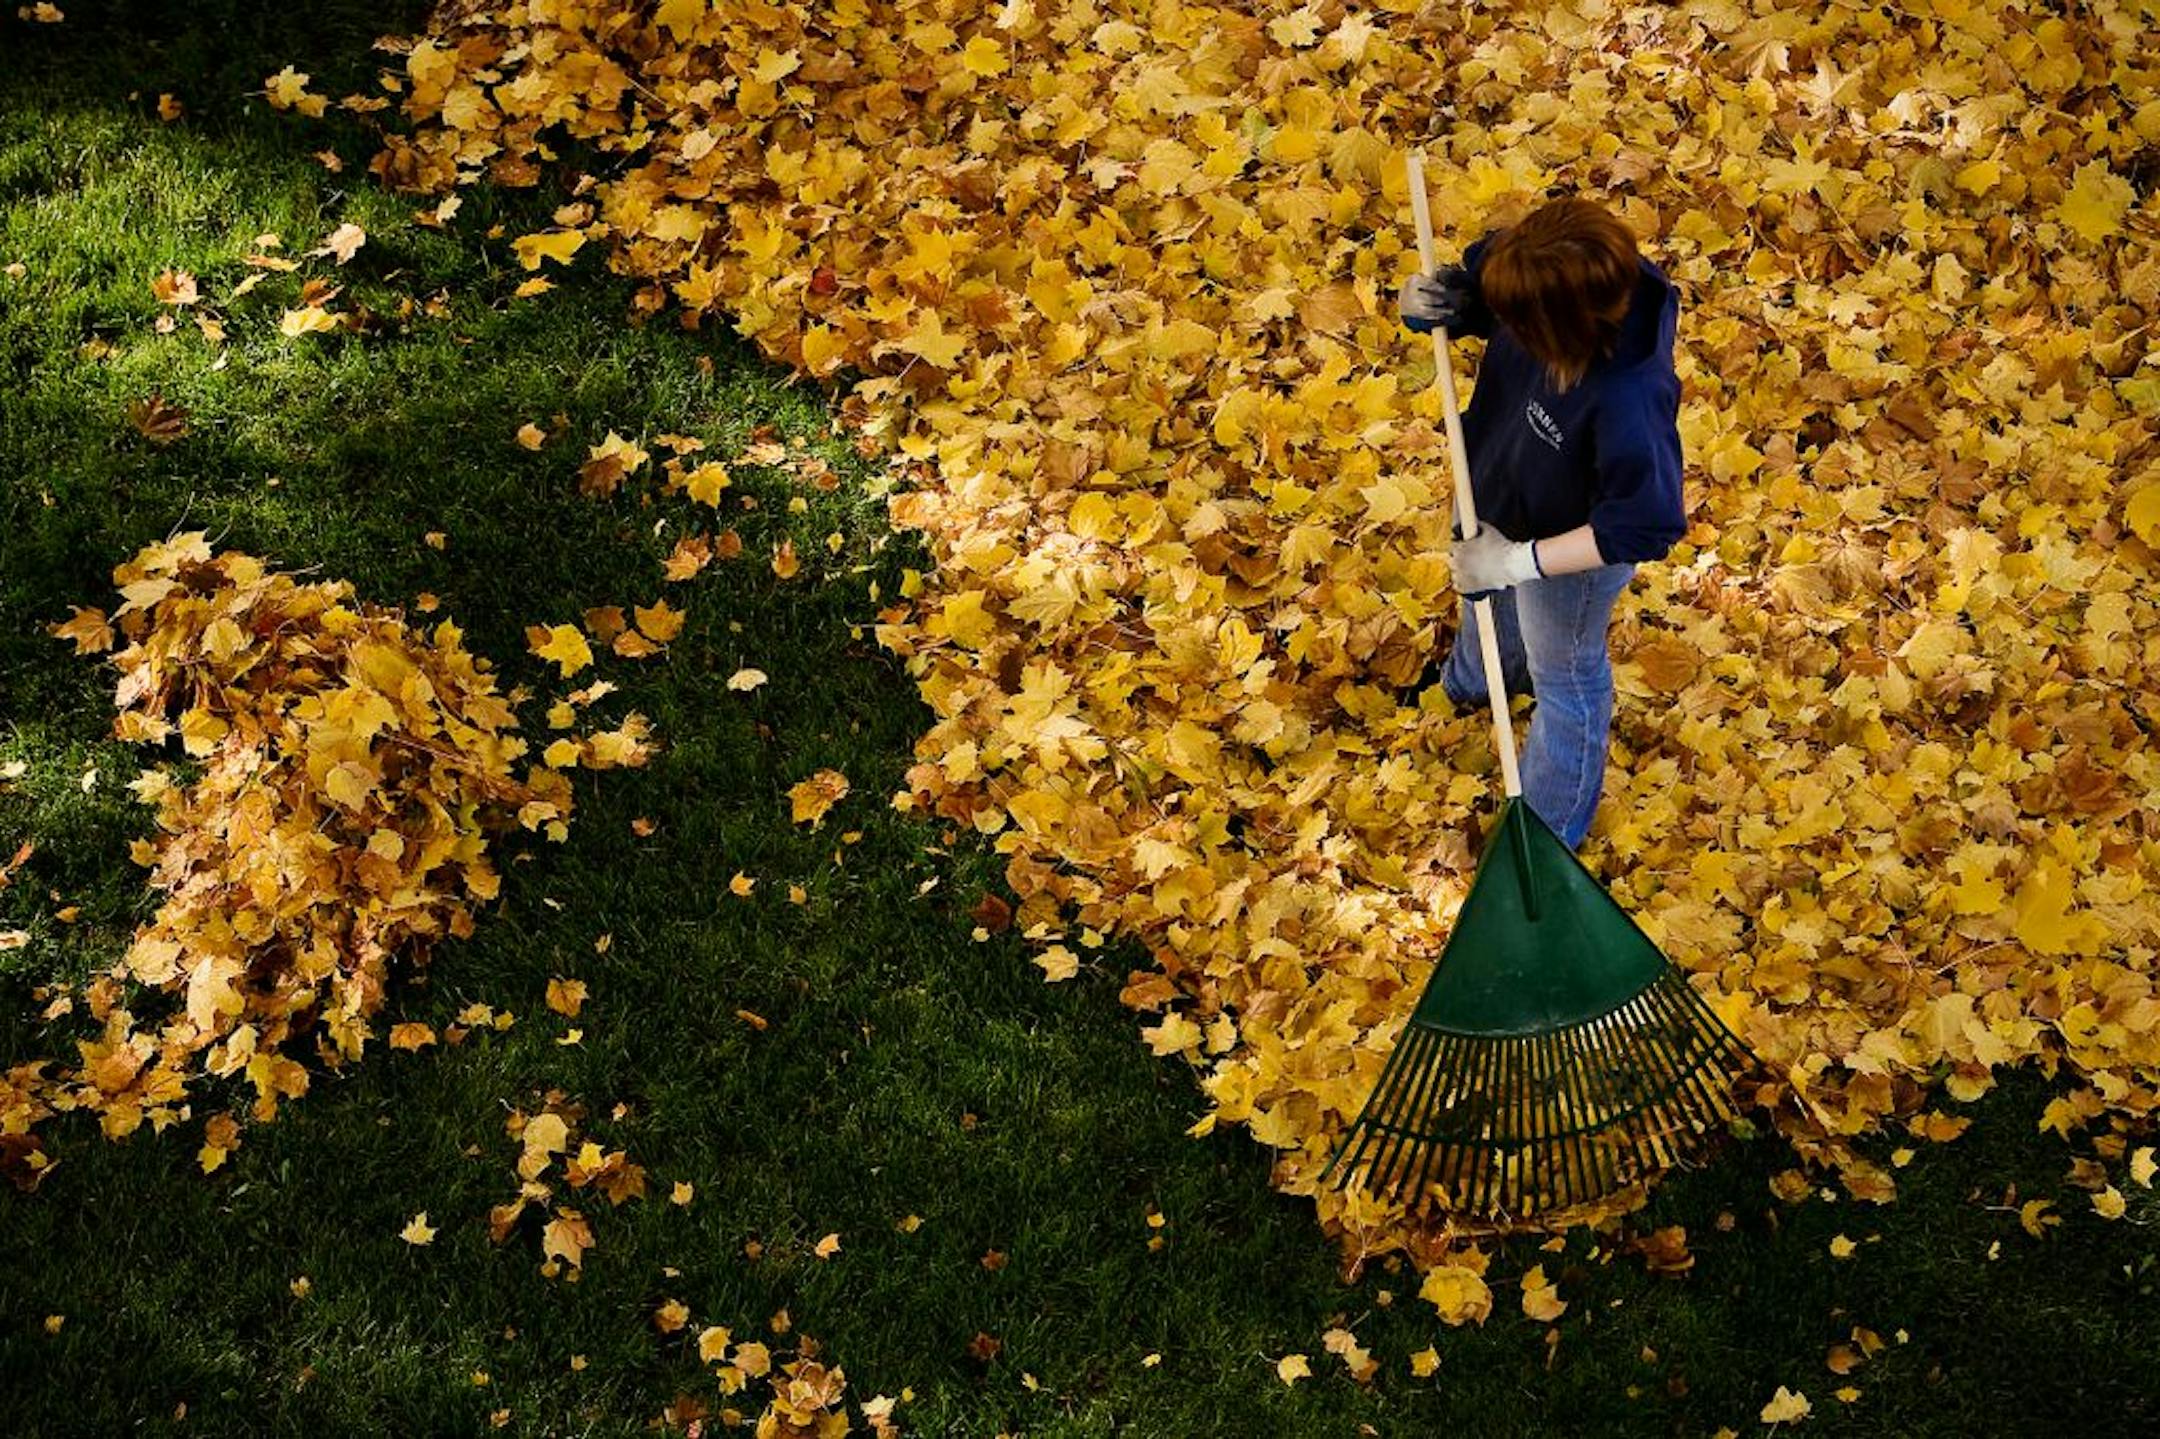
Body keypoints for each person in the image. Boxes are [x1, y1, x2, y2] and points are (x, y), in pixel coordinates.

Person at [1396, 197, 1687, 851]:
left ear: (1558, 329)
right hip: (1497, 477)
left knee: (1566, 672)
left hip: (1567, 553)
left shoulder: (1629, 397)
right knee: (1483, 603)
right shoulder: (1543, 265)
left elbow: (1643, 525)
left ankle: (1546, 831)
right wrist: (1434, 303)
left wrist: (1516, 562)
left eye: (1517, 323)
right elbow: (1483, 295)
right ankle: (1472, 684)